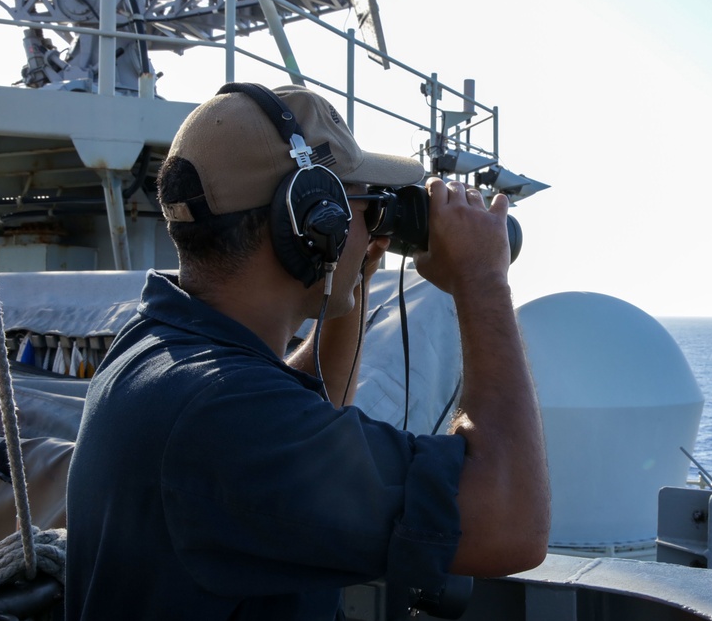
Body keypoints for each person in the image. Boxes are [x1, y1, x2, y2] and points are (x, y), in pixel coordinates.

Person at [64, 83, 550, 620]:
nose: (371, 227)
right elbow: (511, 525)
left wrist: (352, 277)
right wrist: (483, 281)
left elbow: (310, 413)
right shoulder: (226, 417)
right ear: (310, 224)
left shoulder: (155, 347)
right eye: (362, 205)